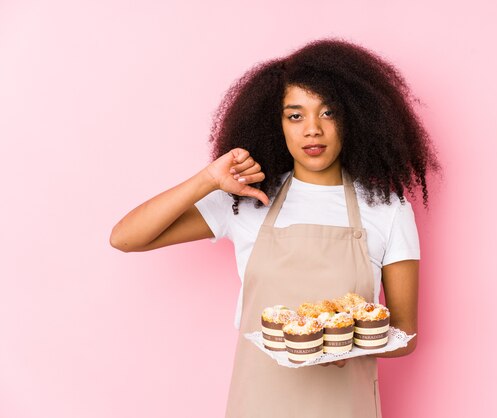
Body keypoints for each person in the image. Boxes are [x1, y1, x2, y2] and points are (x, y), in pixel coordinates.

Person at [110, 37, 440, 418]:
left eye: (328, 113)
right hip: (258, 403)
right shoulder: (247, 199)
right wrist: (208, 179)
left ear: (354, 118)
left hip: (344, 405)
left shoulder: (387, 209)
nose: (312, 129)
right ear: (276, 123)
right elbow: (126, 237)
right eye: (295, 115)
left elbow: (404, 334)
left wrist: (349, 345)